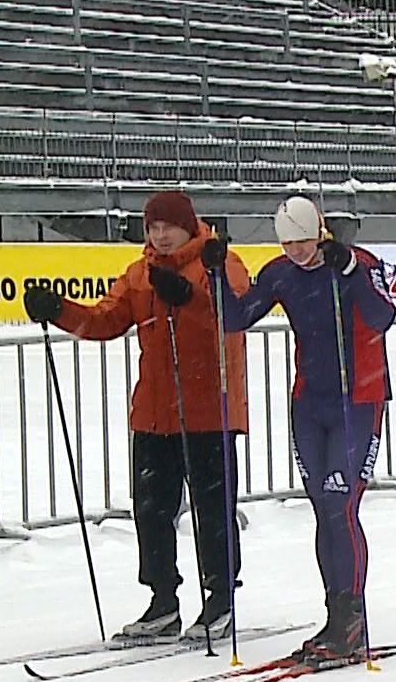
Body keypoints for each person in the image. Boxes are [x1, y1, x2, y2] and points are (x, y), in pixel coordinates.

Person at [23, 191, 249, 642]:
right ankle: (162, 600)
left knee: (212, 509)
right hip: (153, 412)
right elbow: (106, 320)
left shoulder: (219, 262)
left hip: (208, 410)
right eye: (152, 228)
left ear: (188, 226)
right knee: (151, 509)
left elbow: (232, 314)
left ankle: (220, 597)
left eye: (167, 226)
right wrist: (60, 311)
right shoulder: (139, 274)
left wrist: (188, 297)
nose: (160, 235)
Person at [208, 196, 396, 658]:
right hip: (310, 404)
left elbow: (382, 317)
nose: (296, 251)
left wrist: (350, 269)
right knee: (323, 509)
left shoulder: (355, 263)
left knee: (341, 505)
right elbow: (236, 317)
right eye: (288, 242)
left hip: (358, 399)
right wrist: (215, 274)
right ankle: (336, 614)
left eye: (304, 241)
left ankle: (352, 618)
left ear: (322, 232)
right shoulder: (280, 272)